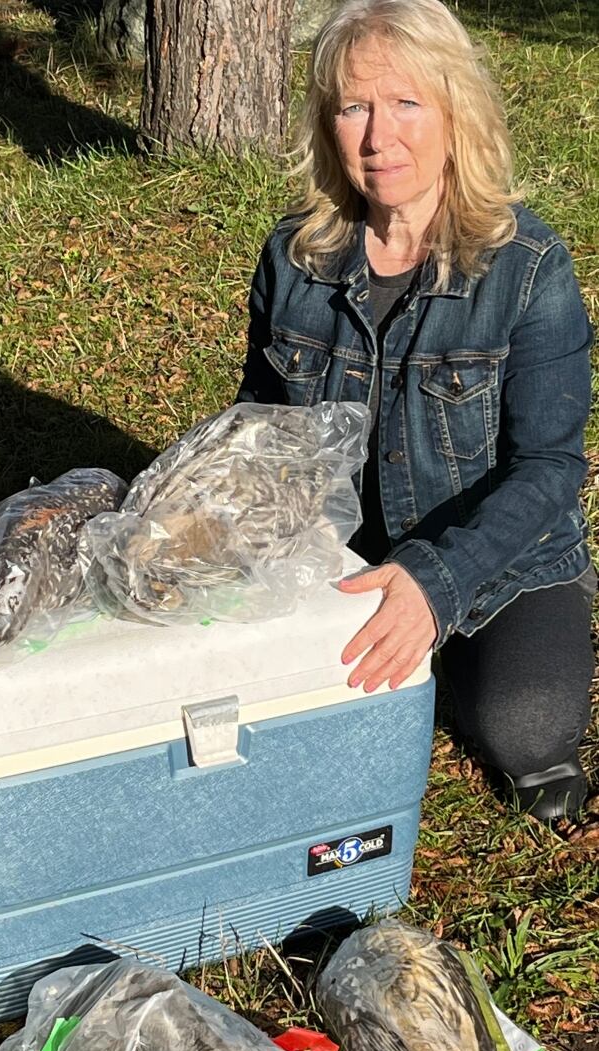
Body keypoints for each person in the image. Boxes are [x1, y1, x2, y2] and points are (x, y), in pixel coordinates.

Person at [236, 0, 596, 822]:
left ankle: (497, 643)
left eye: (406, 104)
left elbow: (550, 468)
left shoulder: (529, 266)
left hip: (505, 563)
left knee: (527, 737)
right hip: (344, 562)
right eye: (354, 106)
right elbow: (263, 424)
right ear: (327, 124)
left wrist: (436, 584)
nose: (378, 137)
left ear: (454, 113)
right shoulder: (293, 258)